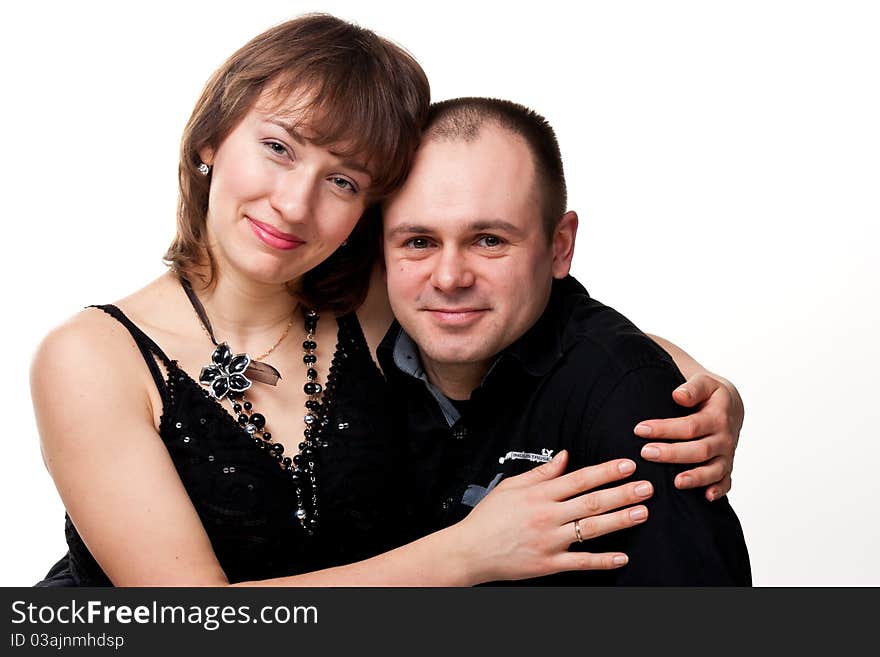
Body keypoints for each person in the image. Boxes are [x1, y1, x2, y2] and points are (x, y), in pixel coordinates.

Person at [33, 15, 743, 587]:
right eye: (278, 147)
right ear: (212, 139)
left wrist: (696, 387)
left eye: (343, 180)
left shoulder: (371, 300)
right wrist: (464, 555)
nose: (294, 203)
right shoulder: (92, 357)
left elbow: (539, 318)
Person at [379, 97, 751, 585]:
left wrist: (650, 375)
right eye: (419, 241)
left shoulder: (631, 401)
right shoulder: (338, 359)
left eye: (489, 240)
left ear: (560, 247)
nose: (449, 277)